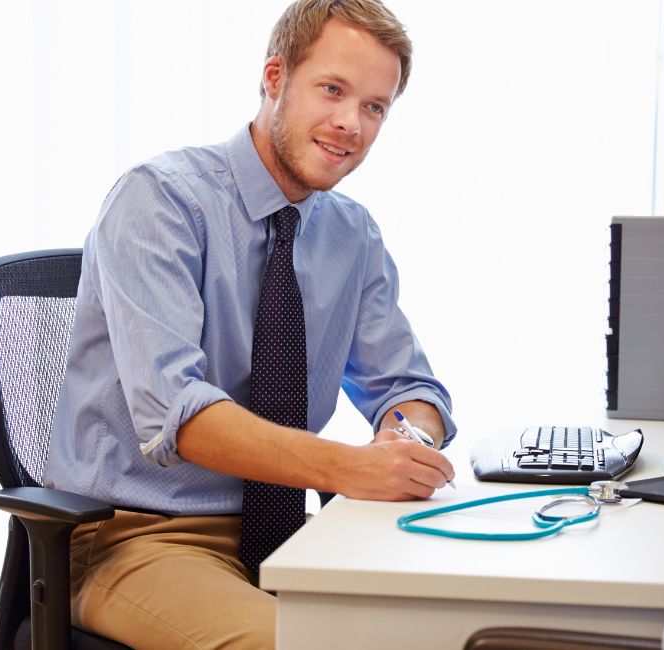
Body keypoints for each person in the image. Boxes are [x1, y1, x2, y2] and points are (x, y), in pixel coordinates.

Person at [43, 1, 457, 647]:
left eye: (375, 106)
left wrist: (406, 444)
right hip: (140, 536)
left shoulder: (351, 233)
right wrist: (346, 469)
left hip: (296, 534)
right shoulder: (160, 200)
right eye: (332, 90)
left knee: (453, 623)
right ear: (274, 77)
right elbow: (181, 414)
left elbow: (410, 386)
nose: (350, 123)